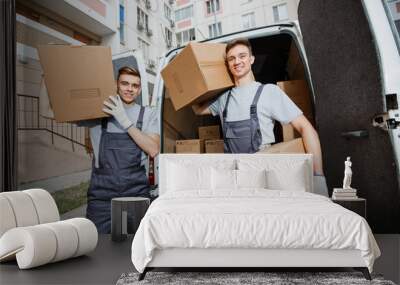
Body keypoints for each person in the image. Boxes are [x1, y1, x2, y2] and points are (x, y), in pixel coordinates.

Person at [192, 38, 327, 195]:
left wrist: (318, 177)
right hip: (233, 177)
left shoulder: (269, 92)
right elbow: (197, 110)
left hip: (264, 176)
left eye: (242, 56)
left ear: (251, 59)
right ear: (228, 65)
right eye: (231, 58)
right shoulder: (224, 98)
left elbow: (305, 128)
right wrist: (199, 82)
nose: (237, 61)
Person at [80, 66, 160, 233]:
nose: (130, 89)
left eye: (135, 85)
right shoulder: (99, 113)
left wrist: (124, 119)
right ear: (116, 85)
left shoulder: (148, 114)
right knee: (97, 248)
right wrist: (47, 77)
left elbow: (153, 149)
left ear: (139, 90)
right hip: (101, 197)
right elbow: (48, 111)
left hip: (135, 194)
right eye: (125, 83)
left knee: (134, 249)